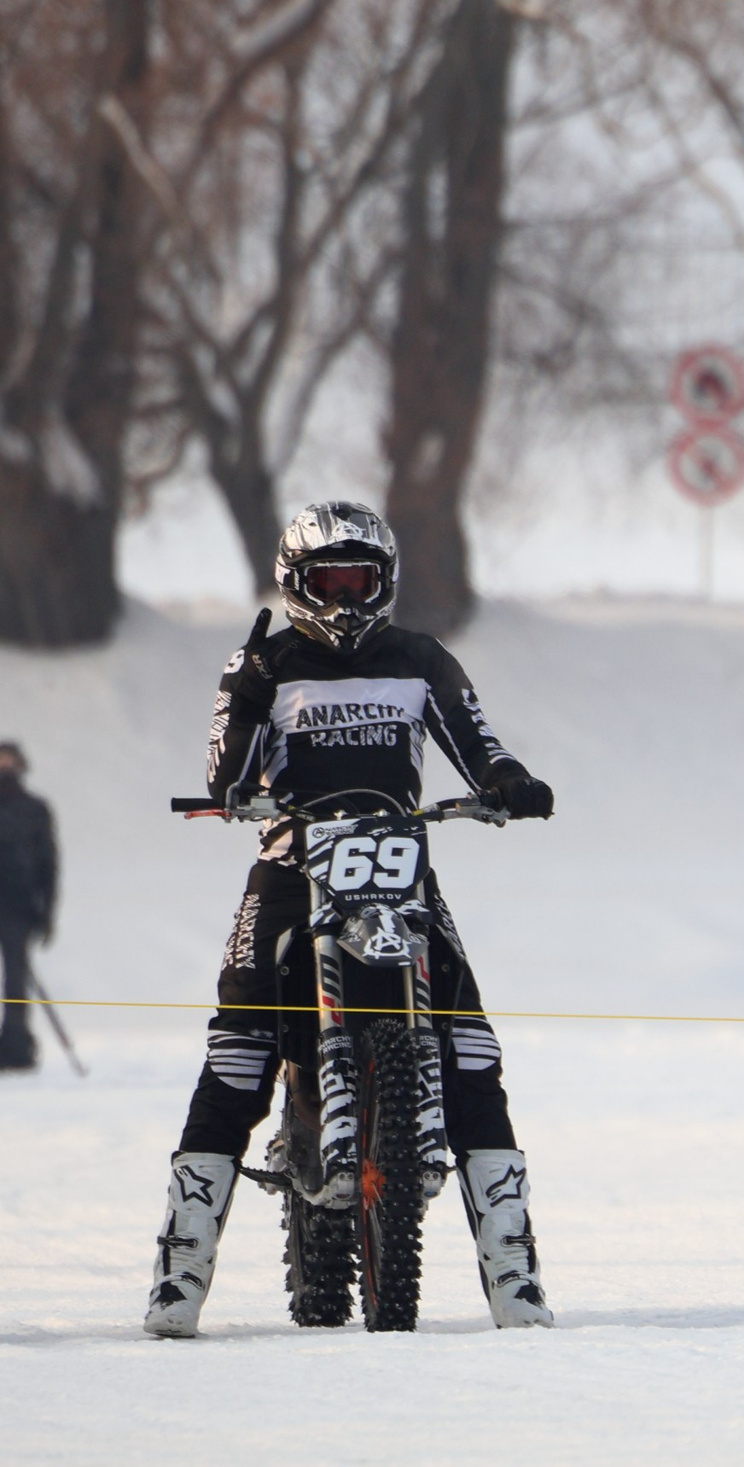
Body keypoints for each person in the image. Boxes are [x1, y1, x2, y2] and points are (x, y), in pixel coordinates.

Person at [145, 500, 560, 1339]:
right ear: (295, 582)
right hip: (293, 865)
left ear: (386, 583)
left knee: (472, 1046)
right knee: (237, 1050)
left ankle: (517, 1281)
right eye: (326, 579)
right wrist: (245, 700)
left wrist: (510, 781)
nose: (342, 595)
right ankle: (177, 1280)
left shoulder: (418, 658)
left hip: (401, 865)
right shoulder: (266, 660)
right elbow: (225, 764)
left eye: (357, 578)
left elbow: (478, 741)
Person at [0, 740, 59, 1073]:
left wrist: (47, 912)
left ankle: (15, 1046)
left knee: (16, 981)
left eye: (9, 761)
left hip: (19, 907)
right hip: (18, 905)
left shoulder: (35, 808)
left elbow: (48, 865)